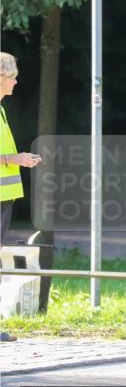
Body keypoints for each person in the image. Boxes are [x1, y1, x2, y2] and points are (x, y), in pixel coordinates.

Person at [1, 52, 42, 246]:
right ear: (2, 77)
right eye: (13, 77)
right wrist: (13, 159)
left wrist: (19, 158)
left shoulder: (1, 110)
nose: (16, 82)